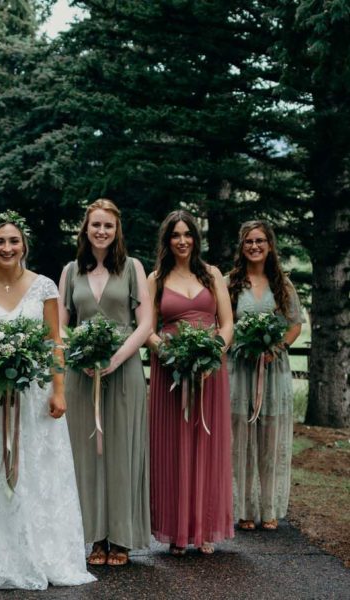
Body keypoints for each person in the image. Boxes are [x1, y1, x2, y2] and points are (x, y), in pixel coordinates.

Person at [0, 211, 95, 591]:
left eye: (13, 241)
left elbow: (54, 341)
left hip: (35, 396)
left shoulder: (44, 286)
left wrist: (59, 390)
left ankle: (43, 553)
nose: (7, 248)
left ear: (24, 245)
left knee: (38, 471)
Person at [58, 199, 152, 566]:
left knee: (122, 451)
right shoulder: (70, 271)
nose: (101, 231)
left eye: (108, 226)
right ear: (85, 228)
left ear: (117, 230)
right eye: (95, 225)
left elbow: (145, 323)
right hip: (81, 373)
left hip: (124, 369)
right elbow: (60, 325)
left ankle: (122, 537)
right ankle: (95, 537)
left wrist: (116, 358)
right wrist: (78, 353)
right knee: (86, 453)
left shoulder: (132, 268)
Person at [146, 210, 234, 556]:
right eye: (175, 235)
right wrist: (169, 354)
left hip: (209, 370)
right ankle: (176, 530)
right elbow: (148, 330)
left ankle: (205, 528)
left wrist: (212, 354)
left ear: (196, 238)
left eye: (187, 234)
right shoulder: (155, 278)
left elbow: (227, 324)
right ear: (167, 240)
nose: (182, 241)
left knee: (206, 444)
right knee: (173, 447)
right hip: (171, 371)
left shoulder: (212, 275)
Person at [227, 220, 304, 532]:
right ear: (242, 246)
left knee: (269, 440)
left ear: (270, 245)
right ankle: (244, 509)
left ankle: (269, 508)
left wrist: (277, 347)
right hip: (240, 368)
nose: (254, 246)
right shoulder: (231, 283)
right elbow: (224, 323)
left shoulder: (282, 284)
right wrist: (241, 345)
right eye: (248, 241)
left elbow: (295, 324)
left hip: (273, 369)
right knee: (240, 439)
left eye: (260, 241)